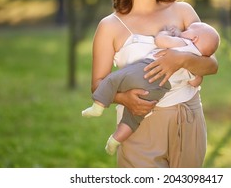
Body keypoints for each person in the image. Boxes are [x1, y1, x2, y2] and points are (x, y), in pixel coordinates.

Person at [90, 0, 218, 168]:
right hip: (139, 124)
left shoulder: (182, 11)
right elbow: (97, 84)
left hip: (187, 116)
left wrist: (180, 59)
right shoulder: (110, 26)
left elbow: (212, 65)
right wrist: (124, 98)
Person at [82, 22, 220, 155]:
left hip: (147, 71)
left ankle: (98, 107)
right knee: (134, 118)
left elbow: (160, 41)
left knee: (113, 79)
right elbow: (195, 82)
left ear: (194, 38)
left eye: (188, 30)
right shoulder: (195, 62)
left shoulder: (183, 43)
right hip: (158, 90)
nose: (184, 31)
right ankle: (115, 139)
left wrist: (165, 33)